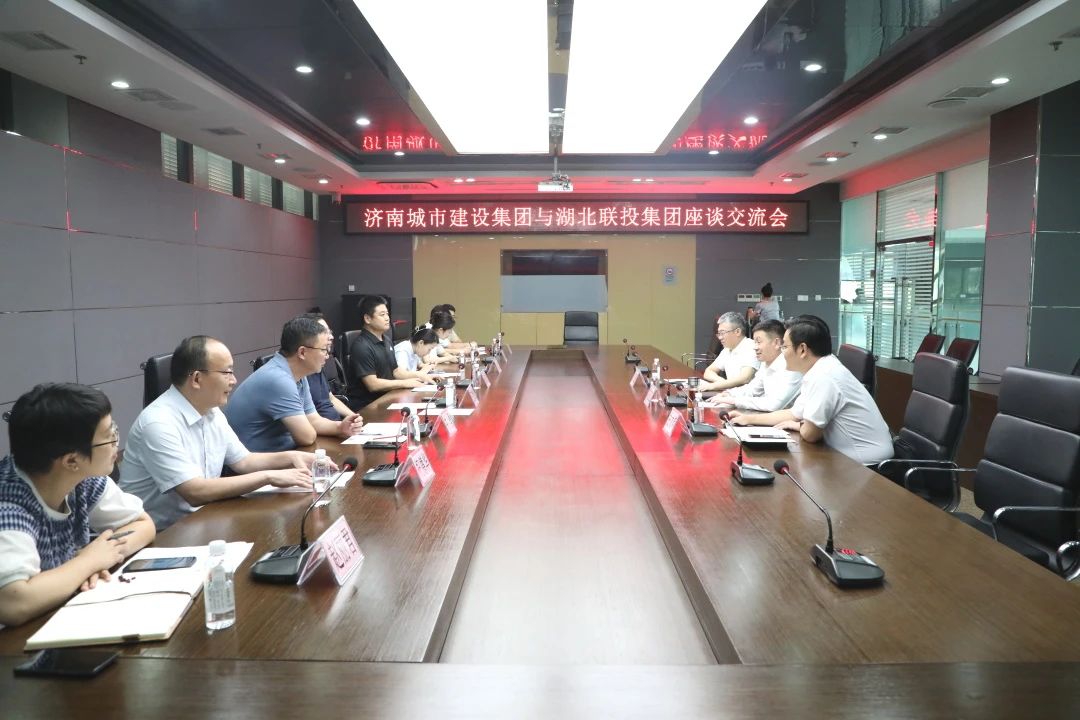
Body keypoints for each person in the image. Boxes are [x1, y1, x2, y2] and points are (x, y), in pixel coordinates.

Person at [120, 336, 319, 531]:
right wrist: (269, 477)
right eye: (227, 372)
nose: (234, 380)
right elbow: (195, 492)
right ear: (197, 379)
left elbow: (244, 461)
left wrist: (292, 457)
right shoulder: (158, 423)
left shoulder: (211, 411)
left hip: (204, 518)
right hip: (162, 535)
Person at [0, 383, 155, 626]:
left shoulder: (81, 478)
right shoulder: (8, 506)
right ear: (72, 460)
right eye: (109, 436)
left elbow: (143, 524)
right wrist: (88, 562)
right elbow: (14, 602)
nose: (116, 441)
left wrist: (95, 561)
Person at [729, 315, 893, 464]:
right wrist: (748, 419)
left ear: (802, 349)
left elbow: (810, 434)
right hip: (843, 455)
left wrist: (801, 426)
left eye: (784, 347)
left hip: (866, 464)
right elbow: (794, 413)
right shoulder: (818, 369)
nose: (782, 353)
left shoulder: (825, 376)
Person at [225, 317, 364, 452]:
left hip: (283, 454)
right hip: (258, 462)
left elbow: (314, 420)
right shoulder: (278, 380)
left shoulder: (298, 374)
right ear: (302, 352)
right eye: (323, 349)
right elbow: (307, 437)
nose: (327, 355)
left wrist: (340, 427)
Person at [349, 295, 432, 408]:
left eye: (387, 314)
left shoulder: (386, 340)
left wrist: (420, 376)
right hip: (369, 405)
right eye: (382, 315)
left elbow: (396, 372)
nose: (387, 318)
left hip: (389, 396)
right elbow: (373, 384)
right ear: (367, 318)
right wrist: (405, 383)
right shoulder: (361, 346)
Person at [708, 319, 802, 412]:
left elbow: (774, 404)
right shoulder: (766, 362)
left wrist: (735, 401)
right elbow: (752, 389)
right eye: (755, 342)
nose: (755, 347)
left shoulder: (791, 366)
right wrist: (729, 393)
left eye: (759, 342)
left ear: (777, 343)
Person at [300, 312, 353, 421]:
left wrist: (354, 417)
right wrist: (340, 427)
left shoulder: (317, 364)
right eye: (325, 332)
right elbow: (312, 422)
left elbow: (331, 398)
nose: (331, 337)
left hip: (335, 424)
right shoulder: (298, 375)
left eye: (330, 332)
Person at [700, 312, 760, 392]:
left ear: (737, 332)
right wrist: (723, 383)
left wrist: (714, 386)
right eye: (719, 334)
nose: (720, 337)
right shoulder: (727, 349)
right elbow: (708, 372)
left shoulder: (751, 347)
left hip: (748, 397)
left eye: (722, 333)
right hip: (732, 394)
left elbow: (745, 378)